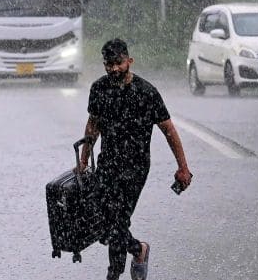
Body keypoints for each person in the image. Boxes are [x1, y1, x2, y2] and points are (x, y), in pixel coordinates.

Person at [77, 38, 193, 280]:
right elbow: (92, 126)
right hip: (107, 164)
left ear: (129, 61)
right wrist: (84, 162)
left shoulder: (146, 92)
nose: (114, 69)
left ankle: (113, 274)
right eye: (109, 64)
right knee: (104, 225)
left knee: (118, 221)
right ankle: (139, 249)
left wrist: (182, 167)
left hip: (135, 168)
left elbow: (168, 130)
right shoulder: (99, 89)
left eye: (118, 63)